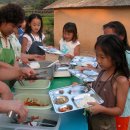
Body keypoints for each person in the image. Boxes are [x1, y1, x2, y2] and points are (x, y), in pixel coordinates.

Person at [86, 34, 129, 130]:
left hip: (105, 125)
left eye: (102, 57)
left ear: (115, 57)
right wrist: (85, 87)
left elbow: (119, 110)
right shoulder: (102, 71)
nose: (98, 61)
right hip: (92, 120)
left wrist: (102, 109)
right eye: (97, 56)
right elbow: (97, 89)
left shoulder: (120, 80)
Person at [103, 21, 130, 130]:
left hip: (122, 107)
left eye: (109, 36)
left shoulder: (127, 56)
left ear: (122, 37)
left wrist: (120, 82)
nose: (106, 40)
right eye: (104, 36)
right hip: (109, 104)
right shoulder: (111, 56)